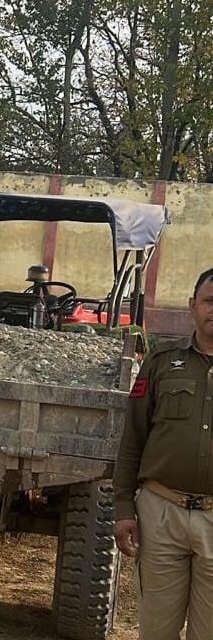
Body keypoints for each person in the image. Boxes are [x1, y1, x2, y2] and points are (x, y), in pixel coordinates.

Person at [113, 266, 213, 640]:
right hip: (162, 515)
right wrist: (124, 509)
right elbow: (132, 440)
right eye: (209, 301)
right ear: (192, 306)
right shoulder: (160, 362)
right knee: (156, 631)